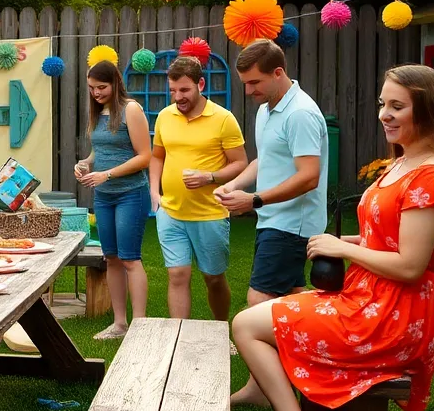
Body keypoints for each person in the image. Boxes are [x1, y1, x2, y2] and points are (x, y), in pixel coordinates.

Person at [231, 65, 434, 411]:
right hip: (375, 298)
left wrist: (344, 252)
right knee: (262, 316)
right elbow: (393, 239)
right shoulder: (404, 163)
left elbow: (412, 265)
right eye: (383, 104)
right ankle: (281, 410)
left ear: (428, 111)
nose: (385, 115)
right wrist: (348, 241)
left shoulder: (430, 175)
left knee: (246, 325)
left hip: (395, 314)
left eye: (398, 106)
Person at [216, 40, 329, 310]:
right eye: (245, 82)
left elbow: (309, 176)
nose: (248, 90)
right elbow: (265, 159)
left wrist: (254, 200)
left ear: (278, 72)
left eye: (255, 82)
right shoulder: (267, 108)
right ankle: (313, 348)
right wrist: (232, 185)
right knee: (292, 297)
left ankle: (263, 349)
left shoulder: (300, 113)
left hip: (292, 224)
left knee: (259, 302)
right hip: (274, 219)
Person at [149, 55, 249, 332]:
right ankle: (178, 339)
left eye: (184, 90)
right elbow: (157, 156)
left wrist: (210, 177)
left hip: (209, 213)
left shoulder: (223, 119)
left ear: (200, 84)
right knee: (177, 274)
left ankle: (221, 331)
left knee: (213, 278)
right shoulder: (164, 117)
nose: (177, 97)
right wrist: (154, 193)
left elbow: (240, 162)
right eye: (172, 90)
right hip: (170, 211)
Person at [74, 60, 152, 340]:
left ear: (116, 83)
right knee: (112, 258)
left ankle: (140, 327)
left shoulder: (131, 109)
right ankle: (120, 325)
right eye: (92, 88)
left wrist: (106, 174)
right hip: (104, 197)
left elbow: (145, 156)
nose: (96, 93)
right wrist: (86, 163)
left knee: (130, 258)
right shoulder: (99, 112)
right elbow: (101, 149)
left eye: (101, 87)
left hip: (131, 193)